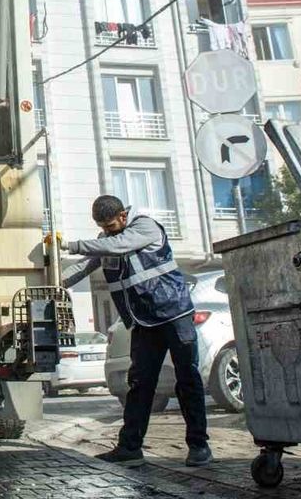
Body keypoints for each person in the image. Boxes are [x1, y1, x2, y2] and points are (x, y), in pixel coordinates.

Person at [61, 195, 212, 468]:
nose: (106, 231)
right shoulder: (108, 240)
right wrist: (53, 283)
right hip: (144, 322)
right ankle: (130, 448)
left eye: (109, 225)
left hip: (174, 315)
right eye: (102, 228)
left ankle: (199, 446)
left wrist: (71, 244)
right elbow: (84, 265)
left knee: (188, 379)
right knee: (140, 385)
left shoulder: (145, 228)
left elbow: (119, 245)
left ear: (122, 215)